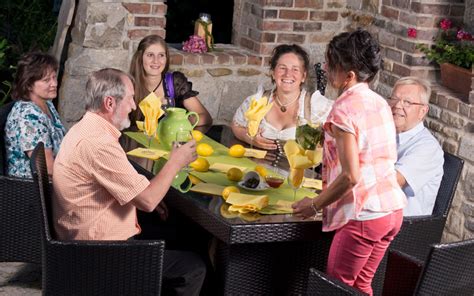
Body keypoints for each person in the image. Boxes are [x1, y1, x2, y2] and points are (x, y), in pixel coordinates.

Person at [52, 68, 206, 295]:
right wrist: (176, 162)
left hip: (85, 236)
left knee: (184, 228)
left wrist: (146, 192)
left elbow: (130, 188)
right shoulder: (99, 144)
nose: (134, 106)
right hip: (100, 255)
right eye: (130, 98)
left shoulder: (86, 128)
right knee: (194, 268)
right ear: (109, 103)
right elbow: (149, 201)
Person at [292, 30, 406, 295]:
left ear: (350, 75)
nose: (329, 71)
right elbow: (370, 151)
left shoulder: (344, 109)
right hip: (391, 212)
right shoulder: (379, 102)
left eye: (332, 66)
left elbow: (350, 176)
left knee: (336, 288)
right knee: (361, 286)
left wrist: (314, 205)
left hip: (365, 215)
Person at [231, 44, 333, 150]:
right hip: (258, 165)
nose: (288, 74)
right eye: (282, 68)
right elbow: (236, 125)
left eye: (295, 69)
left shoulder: (315, 105)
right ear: (273, 73)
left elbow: (342, 136)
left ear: (303, 76)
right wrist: (250, 139)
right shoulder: (257, 101)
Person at [129, 34, 212, 131]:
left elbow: (205, 117)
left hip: (172, 143)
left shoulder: (174, 83)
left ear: (166, 58)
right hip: (138, 144)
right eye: (150, 55)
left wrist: (180, 121)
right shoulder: (129, 85)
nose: (156, 61)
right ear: (140, 58)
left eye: (161, 55)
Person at [4, 52, 66, 178]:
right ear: (28, 84)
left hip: (59, 176)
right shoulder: (28, 117)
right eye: (46, 80)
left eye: (54, 77)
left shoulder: (46, 103)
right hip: (33, 190)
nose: (54, 84)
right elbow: (47, 168)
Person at [389, 77, 444, 216]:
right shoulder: (388, 132)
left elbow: (391, 182)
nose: (397, 105)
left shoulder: (428, 148)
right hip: (374, 212)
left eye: (407, 102)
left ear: (422, 111)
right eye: (394, 99)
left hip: (404, 227)